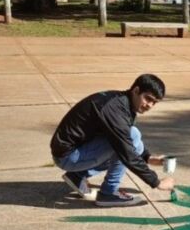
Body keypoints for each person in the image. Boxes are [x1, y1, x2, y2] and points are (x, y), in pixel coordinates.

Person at [50, 74, 175, 207]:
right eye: (148, 99)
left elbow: (125, 138)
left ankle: (77, 176)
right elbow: (127, 153)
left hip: (76, 150)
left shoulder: (122, 102)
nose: (150, 105)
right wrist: (157, 182)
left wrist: (148, 158)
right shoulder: (115, 109)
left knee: (133, 135)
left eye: (154, 102)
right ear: (136, 90)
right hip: (68, 156)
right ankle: (108, 194)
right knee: (130, 139)